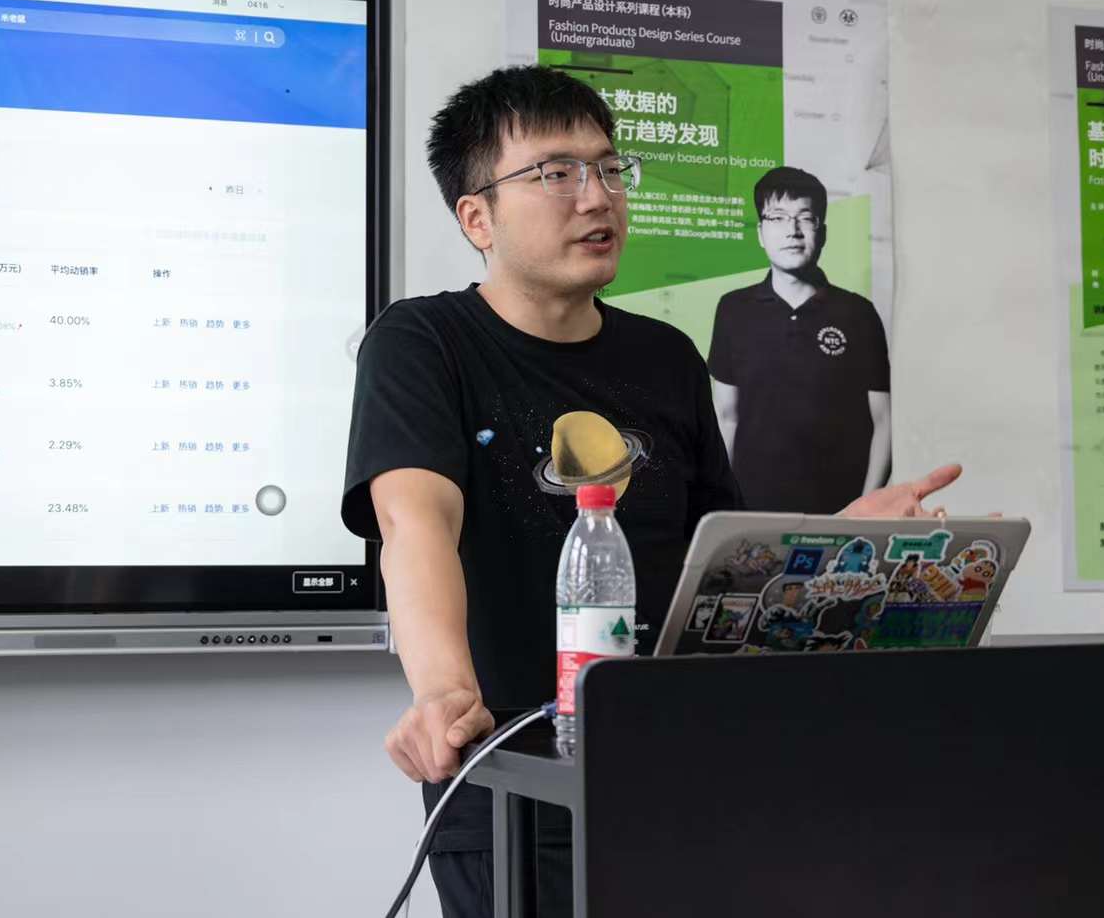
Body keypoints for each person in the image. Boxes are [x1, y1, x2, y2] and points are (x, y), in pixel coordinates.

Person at [341, 65, 961, 918]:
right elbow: (414, 524)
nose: (597, 196)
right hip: (516, 791)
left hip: (685, 782)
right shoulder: (424, 341)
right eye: (557, 173)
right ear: (476, 217)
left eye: (609, 168)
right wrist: (443, 688)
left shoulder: (666, 357)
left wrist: (839, 533)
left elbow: (721, 565)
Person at [708, 166, 891, 513]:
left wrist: (864, 508)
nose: (792, 231)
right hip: (751, 511)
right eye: (777, 218)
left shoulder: (858, 313)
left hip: (839, 513)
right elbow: (727, 416)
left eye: (805, 218)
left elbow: (883, 421)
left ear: (822, 232)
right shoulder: (733, 309)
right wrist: (723, 505)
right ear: (760, 233)